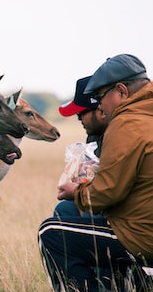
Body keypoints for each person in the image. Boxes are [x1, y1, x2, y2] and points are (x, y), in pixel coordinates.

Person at [38, 54, 153, 292]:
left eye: (100, 97)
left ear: (121, 91)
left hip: (148, 239)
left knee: (51, 232)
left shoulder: (127, 122)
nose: (99, 105)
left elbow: (106, 193)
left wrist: (74, 191)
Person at [55, 75, 108, 217]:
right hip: (104, 198)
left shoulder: (123, 134)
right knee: (64, 209)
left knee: (89, 211)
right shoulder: (95, 135)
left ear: (101, 110)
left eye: (81, 113)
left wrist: (78, 192)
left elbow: (113, 188)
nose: (79, 119)